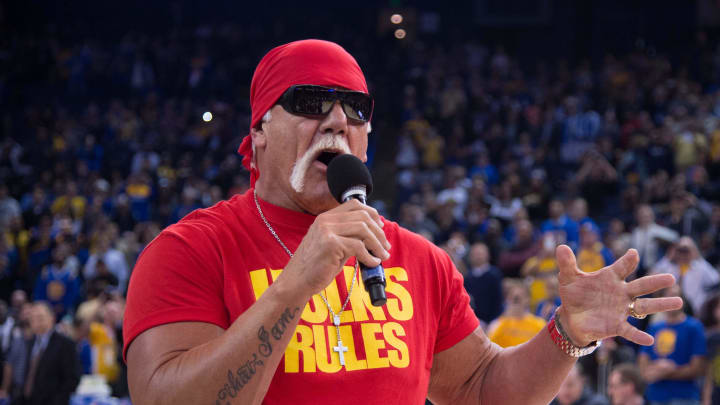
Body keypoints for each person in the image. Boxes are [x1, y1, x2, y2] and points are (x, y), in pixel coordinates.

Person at [123, 39, 682, 405]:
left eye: (356, 108)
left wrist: (565, 335)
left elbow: (479, 389)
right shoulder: (190, 250)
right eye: (312, 101)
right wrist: (294, 285)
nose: (337, 119)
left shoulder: (417, 258)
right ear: (261, 128)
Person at [638, 284, 707, 405]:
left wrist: (668, 371)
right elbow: (643, 363)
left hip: (685, 397)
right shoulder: (654, 328)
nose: (673, 301)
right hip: (655, 396)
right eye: (669, 297)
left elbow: (698, 368)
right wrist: (654, 372)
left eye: (677, 296)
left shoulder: (694, 327)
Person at [20, 302, 80, 405]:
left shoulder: (65, 344)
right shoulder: (29, 341)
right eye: (32, 318)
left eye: (40, 317)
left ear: (52, 318)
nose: (36, 322)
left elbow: (71, 380)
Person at [651, 237, 719, 315]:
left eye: (686, 251)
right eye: (680, 251)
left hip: (696, 311)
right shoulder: (670, 267)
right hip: (672, 311)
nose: (683, 254)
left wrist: (697, 256)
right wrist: (668, 257)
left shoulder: (700, 267)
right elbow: (651, 276)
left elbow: (716, 279)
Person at [487, 279, 546, 347]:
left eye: (520, 297)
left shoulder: (539, 324)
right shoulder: (497, 324)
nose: (516, 297)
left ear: (528, 299)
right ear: (508, 299)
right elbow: (491, 347)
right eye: (513, 297)